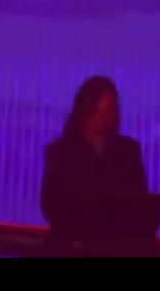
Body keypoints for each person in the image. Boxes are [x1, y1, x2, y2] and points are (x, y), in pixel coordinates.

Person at [40, 75, 148, 229]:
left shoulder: (128, 152)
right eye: (98, 110)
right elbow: (49, 206)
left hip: (116, 238)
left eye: (108, 110)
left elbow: (141, 203)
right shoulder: (60, 152)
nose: (103, 117)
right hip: (71, 238)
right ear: (84, 111)